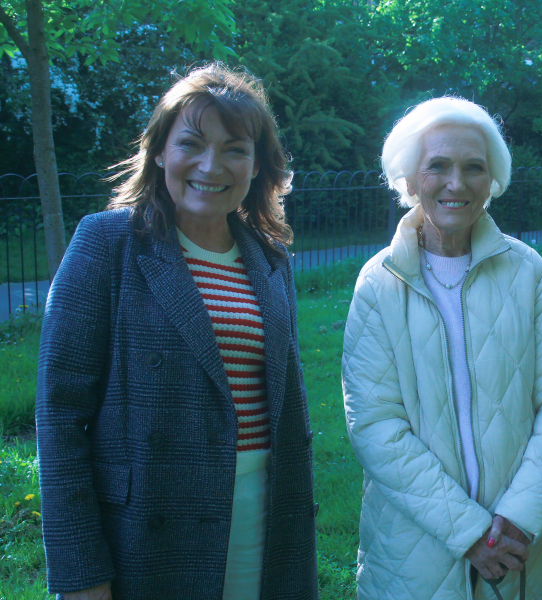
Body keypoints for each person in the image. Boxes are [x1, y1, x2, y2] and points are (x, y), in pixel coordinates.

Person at [36, 63, 318, 600]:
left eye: (235, 149)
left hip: (261, 517)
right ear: (161, 151)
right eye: (192, 143)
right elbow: (59, 415)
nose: (212, 165)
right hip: (147, 528)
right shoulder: (107, 243)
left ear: (257, 164)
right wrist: (81, 570)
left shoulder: (271, 259)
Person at [341, 97, 542, 599]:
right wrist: (469, 532)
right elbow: (376, 425)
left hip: (521, 547)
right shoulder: (378, 283)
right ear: (411, 180)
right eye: (438, 166)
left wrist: (520, 516)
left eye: (474, 167)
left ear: (491, 181)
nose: (457, 183)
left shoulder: (528, 271)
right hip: (415, 552)